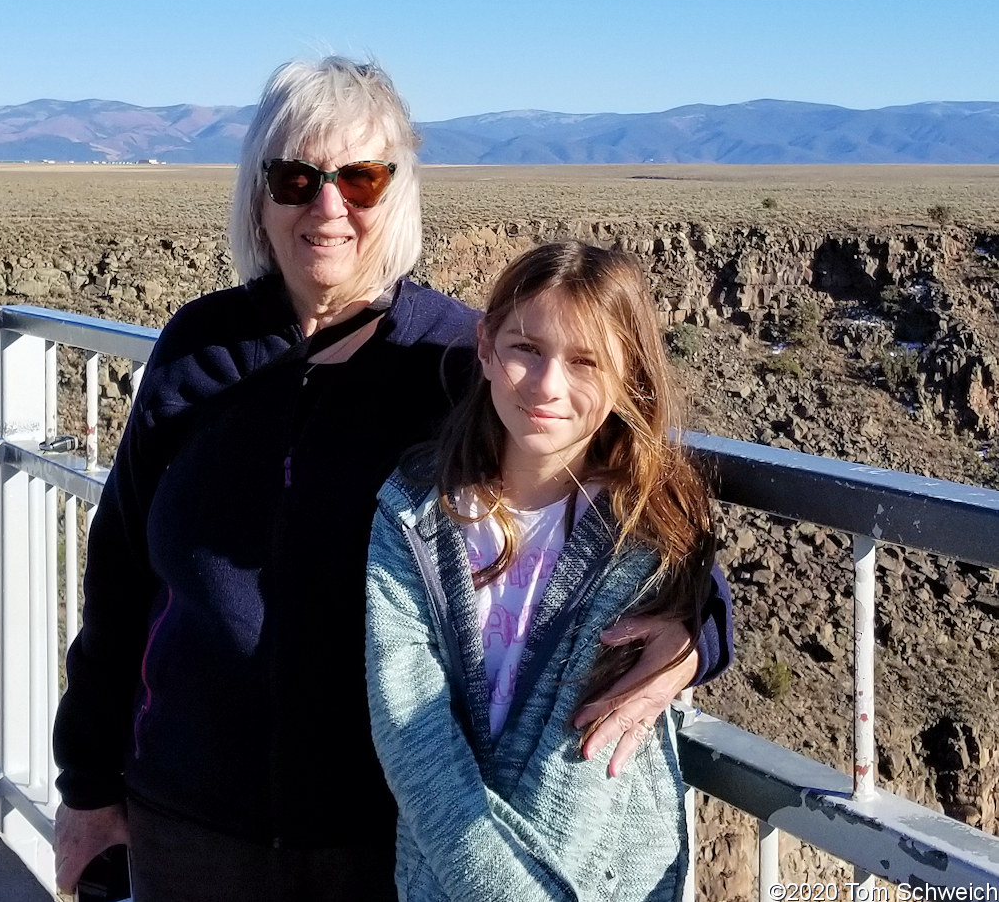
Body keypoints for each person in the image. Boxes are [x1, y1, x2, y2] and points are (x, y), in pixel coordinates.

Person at [53, 59, 731, 902]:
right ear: (259, 195)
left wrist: (700, 629)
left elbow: (618, 499)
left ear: (397, 191)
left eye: (360, 178)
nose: (327, 206)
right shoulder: (198, 349)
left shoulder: (452, 362)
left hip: (376, 835)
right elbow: (118, 571)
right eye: (295, 176)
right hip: (185, 820)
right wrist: (85, 785)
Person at [366, 240, 717, 902]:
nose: (548, 384)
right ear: (486, 347)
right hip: (445, 881)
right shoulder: (413, 517)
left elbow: (587, 761)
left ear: (627, 376)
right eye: (527, 348)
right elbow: (411, 735)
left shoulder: (653, 536)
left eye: (585, 360)